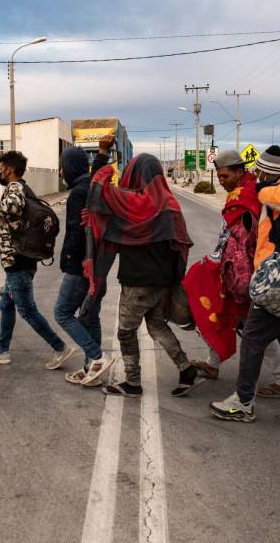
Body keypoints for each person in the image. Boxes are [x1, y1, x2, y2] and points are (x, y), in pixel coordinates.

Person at [210, 145, 280, 425]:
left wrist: (262, 191)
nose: (257, 178)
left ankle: (243, 402)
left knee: (252, 339)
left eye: (261, 173)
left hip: (279, 280)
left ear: (268, 173)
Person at [83, 152, 201, 398]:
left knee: (126, 331)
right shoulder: (170, 204)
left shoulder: (130, 203)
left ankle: (133, 382)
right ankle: (186, 369)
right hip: (163, 280)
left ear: (135, 174)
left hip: (137, 279)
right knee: (156, 325)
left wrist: (103, 165)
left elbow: (97, 191)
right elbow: (181, 244)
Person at [0, 150, 73, 368]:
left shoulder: (15, 188)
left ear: (9, 170)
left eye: (1, 168)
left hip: (18, 260)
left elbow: (12, 205)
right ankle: (2, 351)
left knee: (27, 310)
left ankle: (60, 347)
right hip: (20, 259)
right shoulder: (25, 188)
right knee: (6, 302)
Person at [53, 141, 114, 386]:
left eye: (62, 166)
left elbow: (77, 231)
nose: (60, 171)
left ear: (69, 167)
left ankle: (96, 357)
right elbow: (96, 172)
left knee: (62, 313)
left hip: (81, 265)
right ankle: (92, 371)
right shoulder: (92, 185)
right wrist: (103, 153)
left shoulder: (78, 193)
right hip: (98, 264)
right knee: (90, 317)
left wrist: (67, 259)